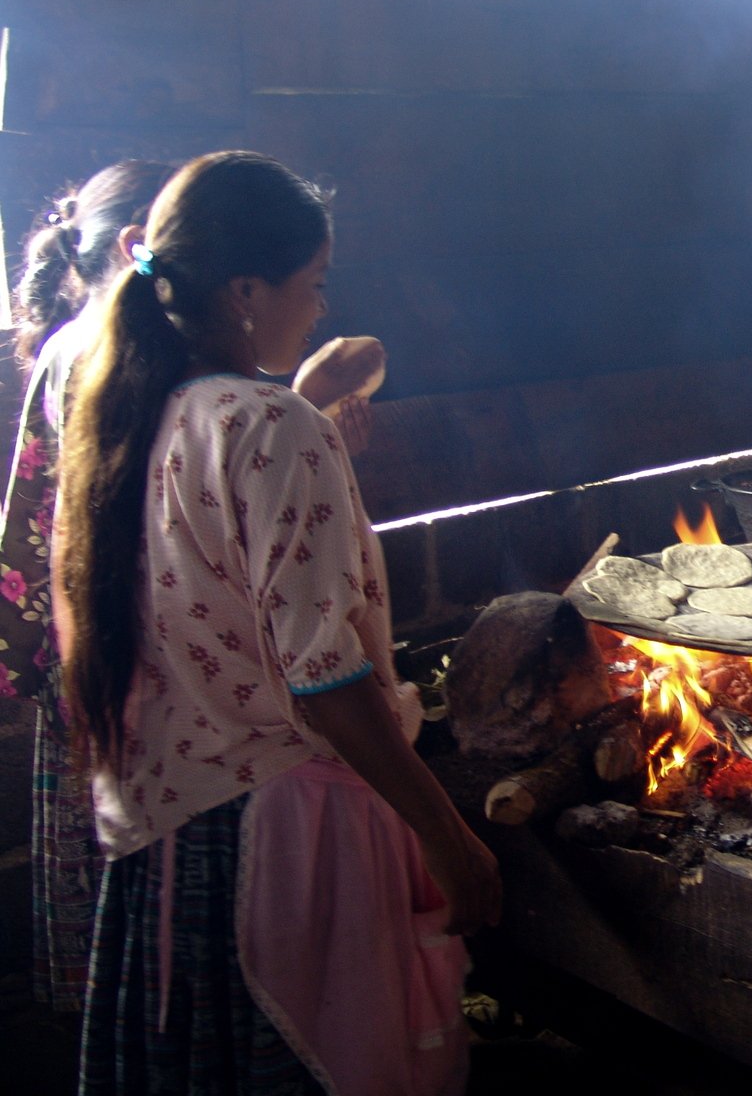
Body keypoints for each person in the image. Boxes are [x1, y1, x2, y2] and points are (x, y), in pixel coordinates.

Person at [54, 150, 501, 1094]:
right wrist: (445, 835)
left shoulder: (124, 408)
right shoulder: (272, 427)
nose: (323, 308)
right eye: (317, 283)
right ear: (248, 290)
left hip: (170, 831)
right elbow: (324, 677)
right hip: (282, 844)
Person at [4, 160, 177, 1011]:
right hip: (127, 660)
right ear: (136, 247)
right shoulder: (112, 350)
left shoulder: (78, 342)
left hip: (88, 651)